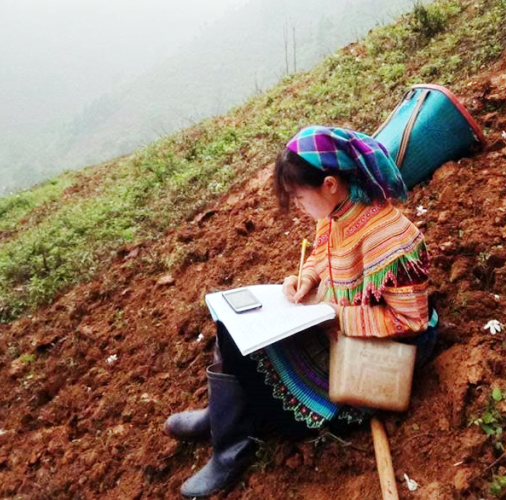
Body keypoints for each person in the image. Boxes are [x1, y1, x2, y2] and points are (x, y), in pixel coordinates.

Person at [164, 125, 438, 498]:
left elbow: (411, 321)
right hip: (340, 326)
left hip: (377, 356)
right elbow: (322, 254)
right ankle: (221, 418)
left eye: (298, 196)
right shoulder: (338, 212)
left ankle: (232, 445)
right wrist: (306, 277)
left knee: (255, 372)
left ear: (330, 184)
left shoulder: (392, 239)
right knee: (232, 327)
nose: (297, 205)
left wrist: (336, 316)